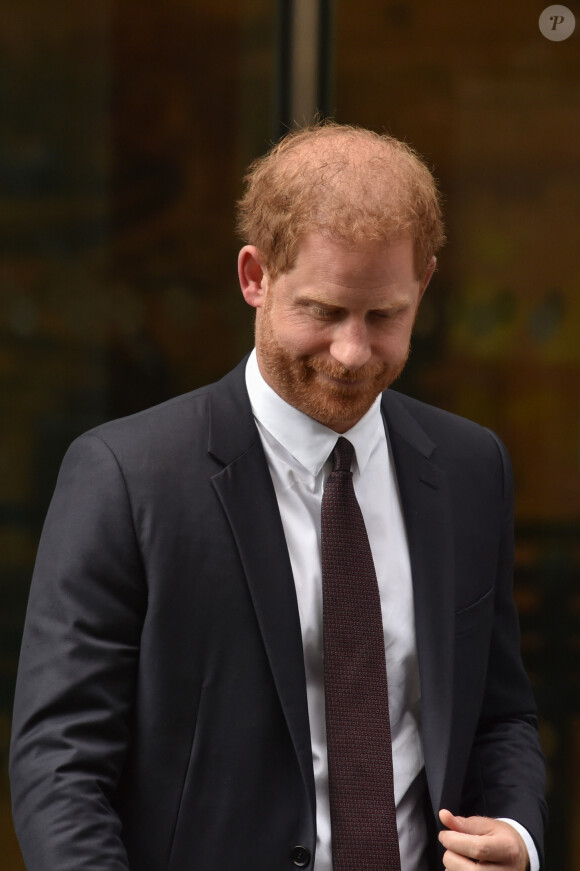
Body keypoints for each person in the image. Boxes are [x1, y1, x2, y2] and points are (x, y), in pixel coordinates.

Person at [10, 123, 547, 870]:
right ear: (254, 276)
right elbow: (60, 763)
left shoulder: (470, 467)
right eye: (324, 311)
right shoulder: (125, 476)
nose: (353, 353)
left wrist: (518, 837)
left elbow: (500, 713)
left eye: (384, 315)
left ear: (423, 282)